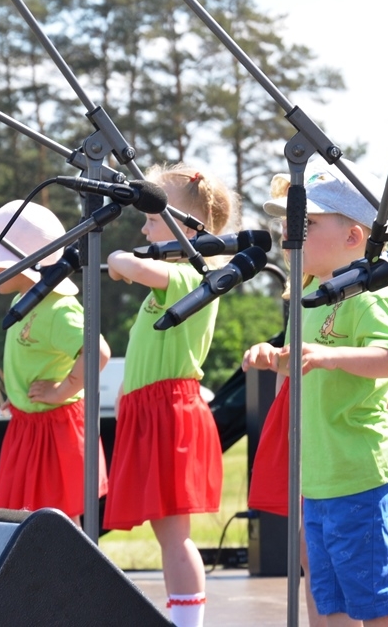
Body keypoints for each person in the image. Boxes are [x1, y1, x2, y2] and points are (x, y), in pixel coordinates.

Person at [242, 163, 388, 627]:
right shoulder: (311, 295)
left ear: (354, 238)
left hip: (361, 473)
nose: (288, 232)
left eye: (306, 224)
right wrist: (274, 356)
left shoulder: (366, 293)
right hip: (320, 474)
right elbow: (306, 361)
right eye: (288, 223)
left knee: (371, 592)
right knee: (327, 590)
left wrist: (327, 357)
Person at [104, 163, 236, 627]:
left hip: (170, 412)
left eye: (153, 217)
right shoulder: (175, 278)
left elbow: (129, 265)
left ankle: (188, 622)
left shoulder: (195, 276)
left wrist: (119, 259)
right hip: (150, 408)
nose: (144, 227)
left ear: (188, 227)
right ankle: (181, 615)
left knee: (175, 534)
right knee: (168, 534)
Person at [0, 200, 109, 526]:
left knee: (62, 519)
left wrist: (62, 390)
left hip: (55, 427)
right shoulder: (23, 300)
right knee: (26, 516)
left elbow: (99, 351)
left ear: (22, 264)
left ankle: (76, 576)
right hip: (29, 423)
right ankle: (43, 576)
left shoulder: (58, 310)